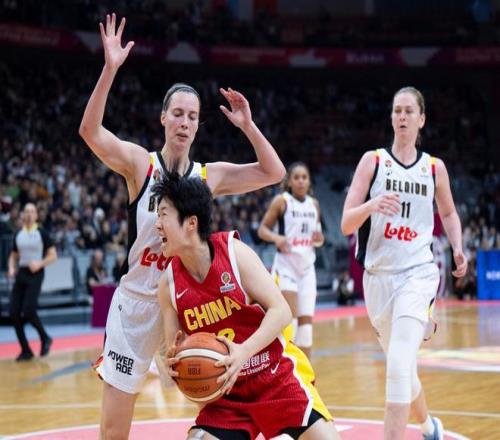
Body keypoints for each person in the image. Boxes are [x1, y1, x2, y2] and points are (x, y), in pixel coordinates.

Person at [78, 13, 285, 439]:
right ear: (163, 118)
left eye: (192, 116)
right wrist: (109, 69)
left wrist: (248, 126)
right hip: (137, 303)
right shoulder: (140, 164)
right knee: (114, 428)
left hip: (189, 301)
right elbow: (90, 131)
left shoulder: (210, 176)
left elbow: (273, 172)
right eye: (177, 113)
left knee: (219, 403)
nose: (185, 122)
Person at [155, 170, 340, 440]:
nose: (157, 225)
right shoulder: (168, 284)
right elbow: (175, 351)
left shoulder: (234, 254)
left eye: (163, 215)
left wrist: (243, 352)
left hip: (273, 377)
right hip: (226, 395)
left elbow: (281, 311)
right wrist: (174, 366)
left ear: (191, 222)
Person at [341, 86, 468, 440]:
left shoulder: (434, 168)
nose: (402, 116)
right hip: (377, 278)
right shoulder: (373, 162)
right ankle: (429, 427)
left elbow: (449, 213)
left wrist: (458, 247)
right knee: (403, 369)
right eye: (397, 110)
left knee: (397, 365)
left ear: (421, 119)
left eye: (409, 111)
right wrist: (371, 205)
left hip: (418, 274)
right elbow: (346, 223)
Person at [257, 162, 324, 358]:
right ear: (290, 182)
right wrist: (276, 238)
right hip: (286, 266)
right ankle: (286, 367)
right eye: (297, 177)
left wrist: (319, 239)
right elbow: (262, 230)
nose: (301, 181)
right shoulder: (282, 201)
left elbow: (319, 238)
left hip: (307, 268)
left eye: (304, 177)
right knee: (290, 323)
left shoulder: (314, 204)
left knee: (306, 328)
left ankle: (305, 371)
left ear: (309, 181)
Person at [7, 203, 57, 361]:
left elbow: (53, 255)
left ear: (36, 215)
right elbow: (13, 256)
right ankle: (26, 350)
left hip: (36, 273)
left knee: (28, 310)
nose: (29, 214)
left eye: (32, 211)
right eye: (26, 211)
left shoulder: (41, 232)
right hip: (21, 273)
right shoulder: (18, 233)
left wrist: (40, 264)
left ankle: (45, 338)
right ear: (23, 214)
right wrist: (11, 268)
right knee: (14, 312)